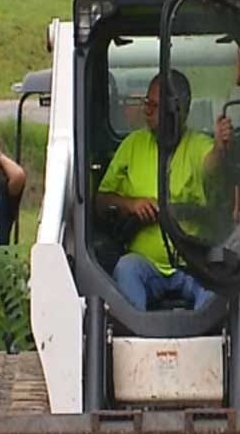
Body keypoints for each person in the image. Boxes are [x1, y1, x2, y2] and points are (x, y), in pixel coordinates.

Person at [95, 71, 232, 311]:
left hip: (193, 264)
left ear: (178, 111)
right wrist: (132, 204)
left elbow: (211, 164)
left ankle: (202, 339)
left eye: (154, 105)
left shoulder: (197, 145)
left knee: (216, 285)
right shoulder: (132, 145)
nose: (146, 110)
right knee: (125, 268)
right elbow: (101, 201)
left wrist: (220, 148)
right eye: (147, 102)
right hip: (145, 265)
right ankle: (136, 338)